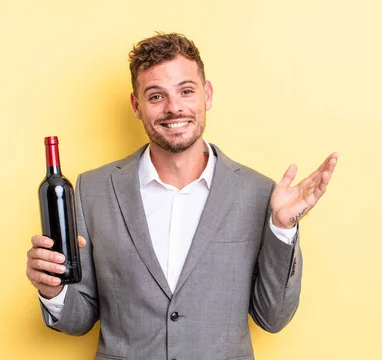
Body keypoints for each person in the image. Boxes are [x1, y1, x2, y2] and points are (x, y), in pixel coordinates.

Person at [26, 32, 338, 360]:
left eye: (186, 91)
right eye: (156, 96)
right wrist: (53, 290)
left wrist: (282, 230)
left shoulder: (259, 193)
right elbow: (80, 319)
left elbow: (272, 318)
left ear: (208, 94)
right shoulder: (94, 190)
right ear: (137, 105)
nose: (174, 108)